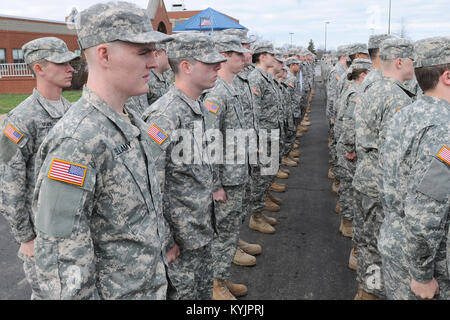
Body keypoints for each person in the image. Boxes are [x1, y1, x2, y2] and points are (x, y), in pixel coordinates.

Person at [31, 1, 176, 299]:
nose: (153, 61)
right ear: (104, 54)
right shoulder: (76, 142)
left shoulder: (133, 123)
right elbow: (62, 269)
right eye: (143, 52)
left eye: (153, 51)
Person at [142, 32, 224, 300]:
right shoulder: (165, 115)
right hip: (180, 239)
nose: (218, 68)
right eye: (209, 64)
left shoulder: (195, 107)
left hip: (198, 230)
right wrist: (165, 240)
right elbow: (150, 184)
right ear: (186, 67)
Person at [0, 37, 79, 300]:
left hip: (73, 230)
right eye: (61, 63)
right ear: (38, 68)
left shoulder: (74, 112)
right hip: (41, 234)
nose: (70, 68)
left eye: (70, 62)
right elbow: (9, 184)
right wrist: (25, 238)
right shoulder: (20, 120)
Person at [379, 36, 450, 300]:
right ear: (447, 76)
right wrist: (422, 275)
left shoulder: (407, 113)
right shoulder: (444, 129)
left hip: (396, 242)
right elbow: (425, 214)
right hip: (426, 265)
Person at [353, 38, 416, 300]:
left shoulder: (374, 88)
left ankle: (366, 290)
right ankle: (370, 292)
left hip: (367, 177)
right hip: (383, 184)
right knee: (380, 245)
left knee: (368, 244)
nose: (415, 65)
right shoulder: (396, 98)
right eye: (412, 60)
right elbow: (397, 152)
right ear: (400, 61)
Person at [201, 34, 251, 300]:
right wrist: (214, 184)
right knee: (221, 233)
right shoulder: (216, 93)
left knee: (230, 231)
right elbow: (210, 142)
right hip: (225, 182)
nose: (243, 57)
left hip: (236, 175)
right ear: (222, 56)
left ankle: (222, 277)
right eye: (236, 53)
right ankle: (214, 284)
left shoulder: (231, 88)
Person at [247, 41, 282, 235]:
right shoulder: (255, 78)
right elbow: (255, 111)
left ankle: (260, 209)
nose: (274, 58)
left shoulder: (264, 77)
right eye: (271, 54)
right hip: (263, 136)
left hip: (271, 133)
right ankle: (256, 216)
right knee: (259, 177)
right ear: (262, 56)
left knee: (266, 174)